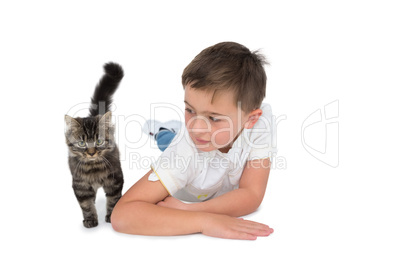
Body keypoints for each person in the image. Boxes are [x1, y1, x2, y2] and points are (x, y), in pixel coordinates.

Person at [111, 42, 277, 240]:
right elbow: (123, 215)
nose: (197, 127)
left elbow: (251, 193)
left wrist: (195, 210)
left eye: (213, 118)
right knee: (169, 139)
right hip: (183, 152)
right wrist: (204, 222)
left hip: (198, 165)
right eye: (190, 110)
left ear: (251, 119)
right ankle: (159, 130)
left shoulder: (261, 124)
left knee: (183, 136)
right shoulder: (185, 150)